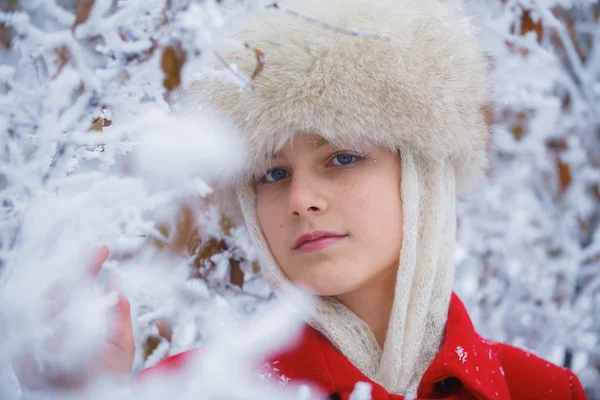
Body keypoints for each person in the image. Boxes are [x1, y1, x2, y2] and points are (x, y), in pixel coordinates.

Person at [13, 0, 587, 398]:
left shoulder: (541, 391)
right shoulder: (194, 390)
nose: (301, 199)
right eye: (271, 174)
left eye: (342, 157)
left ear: (422, 173)